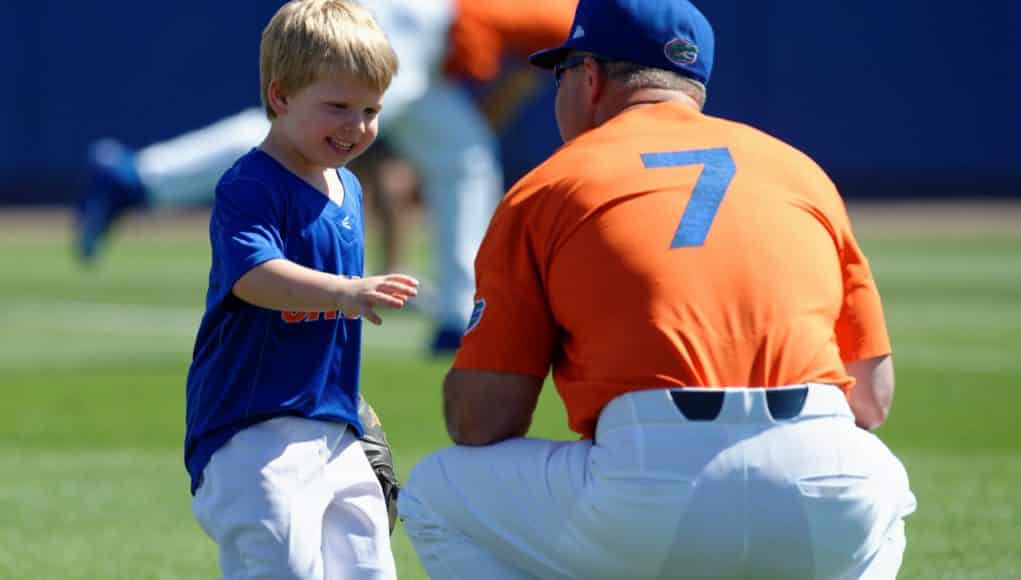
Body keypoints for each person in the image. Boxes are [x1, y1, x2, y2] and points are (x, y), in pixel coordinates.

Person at [397, 0, 917, 578]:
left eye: (562, 72)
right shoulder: (803, 172)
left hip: (651, 480)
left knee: (436, 492)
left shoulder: (545, 186)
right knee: (884, 484)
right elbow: (871, 399)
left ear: (590, 78)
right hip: (823, 478)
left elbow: (481, 421)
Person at [75, 0, 576, 355]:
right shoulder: (573, 16)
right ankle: (139, 176)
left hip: (423, 33)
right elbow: (518, 88)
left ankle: (455, 316)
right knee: (303, 126)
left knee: (463, 158)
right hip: (414, 20)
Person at [183, 1, 419, 578]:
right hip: (253, 429)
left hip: (335, 424)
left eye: (370, 109)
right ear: (281, 96)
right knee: (283, 564)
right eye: (336, 106)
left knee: (369, 565)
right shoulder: (251, 184)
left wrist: (348, 410)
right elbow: (253, 276)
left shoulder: (351, 188)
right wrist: (344, 292)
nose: (356, 126)